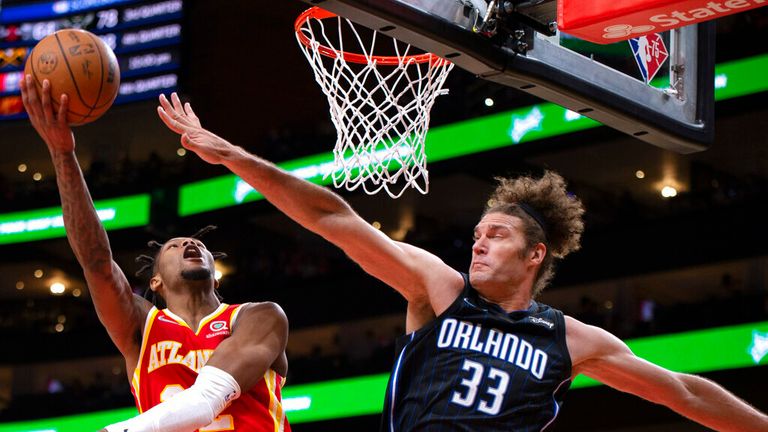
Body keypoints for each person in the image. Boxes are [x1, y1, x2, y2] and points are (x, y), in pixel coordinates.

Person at [156, 92, 768, 431]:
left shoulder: (572, 340)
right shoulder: (440, 290)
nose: (477, 242)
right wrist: (233, 154)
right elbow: (331, 218)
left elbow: (684, 393)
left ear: (535, 254)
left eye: (496, 235)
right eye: (477, 232)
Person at [20, 79, 291, 432]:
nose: (190, 245)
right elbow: (96, 262)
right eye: (175, 246)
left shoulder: (261, 317)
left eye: (198, 246)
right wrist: (62, 153)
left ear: (215, 272)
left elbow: (207, 398)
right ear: (155, 281)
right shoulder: (141, 328)